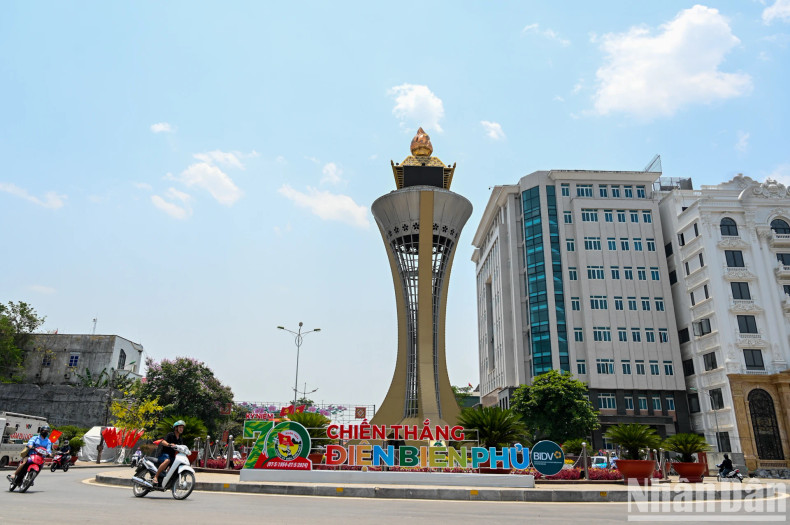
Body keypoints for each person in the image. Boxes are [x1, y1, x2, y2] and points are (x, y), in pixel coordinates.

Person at [153, 420, 185, 486]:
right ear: (176, 428)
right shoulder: (170, 435)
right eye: (180, 427)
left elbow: (181, 447)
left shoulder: (180, 439)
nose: (181, 429)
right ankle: (155, 477)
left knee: (176, 464)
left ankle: (167, 479)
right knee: (168, 460)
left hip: (172, 455)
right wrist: (169, 444)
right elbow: (163, 442)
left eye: (182, 427)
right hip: (164, 454)